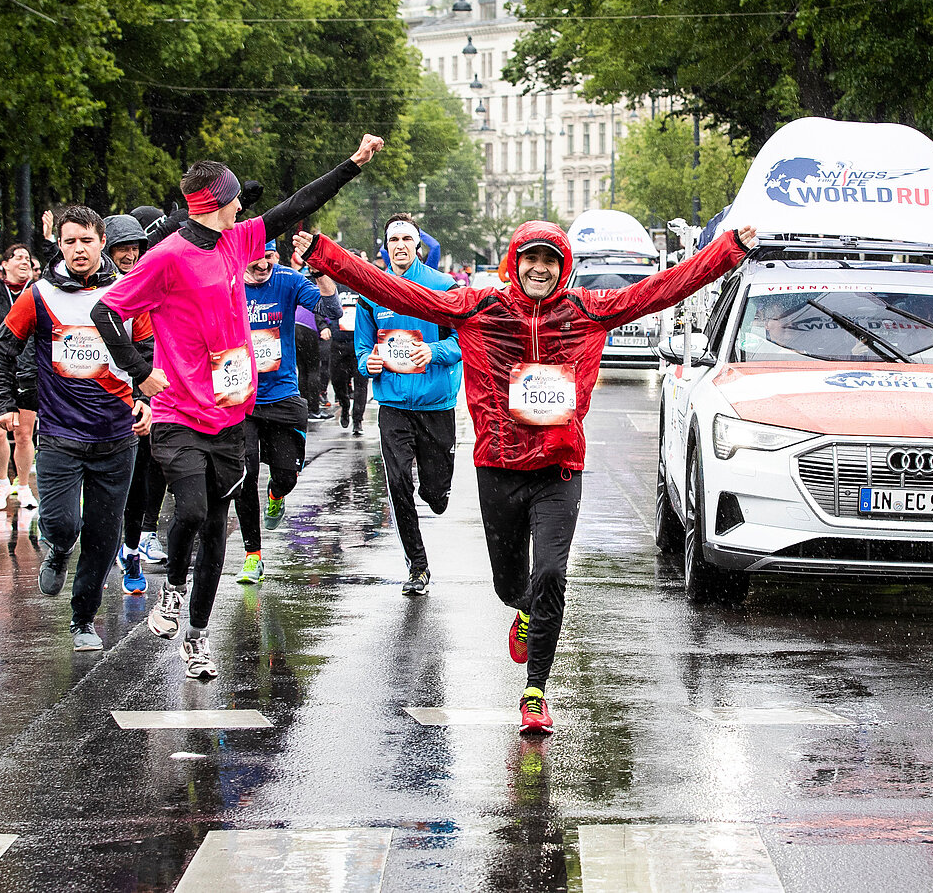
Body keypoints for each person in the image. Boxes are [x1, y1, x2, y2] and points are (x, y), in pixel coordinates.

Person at [295, 218, 753, 734]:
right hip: (499, 468)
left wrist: (729, 248)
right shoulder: (479, 307)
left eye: (550, 260)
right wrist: (326, 255)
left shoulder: (585, 311)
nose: (540, 268)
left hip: (559, 468)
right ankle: (524, 609)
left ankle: (535, 692)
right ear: (515, 263)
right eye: (530, 259)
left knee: (552, 575)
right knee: (511, 585)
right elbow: (398, 292)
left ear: (564, 267)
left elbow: (664, 288)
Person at [91, 133, 384, 681]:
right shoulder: (167, 258)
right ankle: (172, 594)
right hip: (178, 410)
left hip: (231, 409)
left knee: (215, 527)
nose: (243, 207)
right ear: (215, 204)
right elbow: (107, 312)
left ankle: (197, 637)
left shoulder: (237, 242)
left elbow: (296, 206)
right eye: (234, 199)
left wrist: (352, 164)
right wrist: (142, 373)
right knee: (195, 511)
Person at [0, 206, 153, 650]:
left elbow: (147, 353)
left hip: (118, 436)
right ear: (58, 245)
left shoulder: (128, 291)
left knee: (104, 536)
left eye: (86, 240)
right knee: (62, 523)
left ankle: (83, 620)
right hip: (61, 434)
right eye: (69, 242)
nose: (78, 250)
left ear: (102, 242)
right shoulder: (39, 295)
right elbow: (2, 349)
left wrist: (144, 400)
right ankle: (59, 550)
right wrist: (3, 404)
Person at [354, 214, 463, 596]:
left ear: (418, 244)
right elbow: (363, 347)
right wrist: (365, 362)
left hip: (436, 406)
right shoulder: (372, 292)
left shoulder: (443, 286)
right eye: (393, 239)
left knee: (434, 496)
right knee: (398, 484)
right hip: (394, 405)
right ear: (385, 246)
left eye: (406, 239)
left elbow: (462, 343)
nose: (399, 246)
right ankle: (417, 566)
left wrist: (432, 351)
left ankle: (438, 491)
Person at [233, 239, 342, 584]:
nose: (262, 265)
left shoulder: (288, 281)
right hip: (240, 397)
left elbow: (331, 310)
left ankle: (277, 494)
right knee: (244, 474)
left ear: (276, 255)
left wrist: (321, 272)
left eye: (268, 256)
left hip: (282, 395)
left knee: (286, 475)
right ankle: (253, 556)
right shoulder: (226, 281)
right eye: (254, 258)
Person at [102, 212, 168, 594]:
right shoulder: (83, 291)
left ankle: (136, 542)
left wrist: (144, 394)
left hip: (137, 395)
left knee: (143, 470)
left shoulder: (147, 284)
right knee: (107, 482)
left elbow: (147, 345)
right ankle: (103, 540)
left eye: (134, 248)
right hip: (90, 401)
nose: (129, 255)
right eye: (121, 248)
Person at [0, 213, 44, 511]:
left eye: (27, 257)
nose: (24, 261)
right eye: (17, 257)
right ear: (5, 266)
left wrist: (51, 239)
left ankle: (24, 485)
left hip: (28, 370)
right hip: (0, 367)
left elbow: (57, 266)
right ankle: (2, 483)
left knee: (25, 432)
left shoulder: (38, 291)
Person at [328, 272, 369, 436]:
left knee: (361, 384)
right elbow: (323, 307)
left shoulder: (364, 288)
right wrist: (324, 327)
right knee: (338, 381)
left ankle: (358, 419)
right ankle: (345, 406)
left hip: (360, 344)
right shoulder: (335, 286)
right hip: (339, 343)